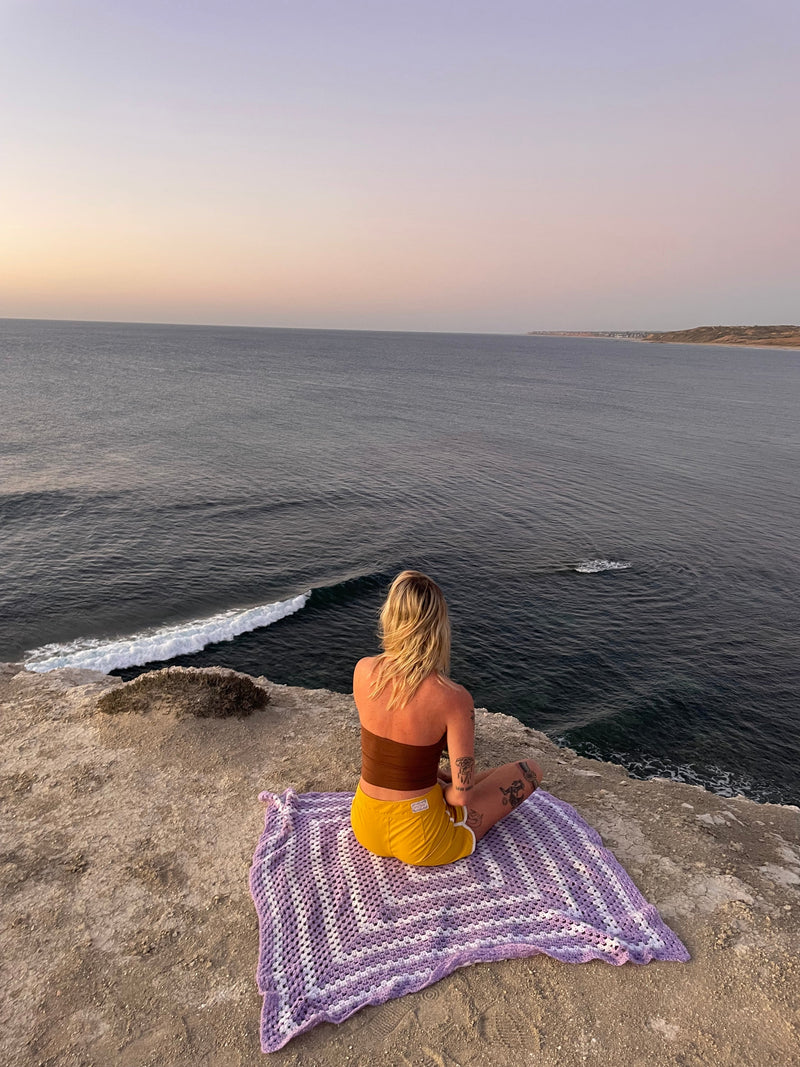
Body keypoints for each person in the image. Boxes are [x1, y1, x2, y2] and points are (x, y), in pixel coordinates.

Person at [350, 569, 543, 866]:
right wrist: (443, 792)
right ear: (438, 626)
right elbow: (461, 797)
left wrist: (436, 782)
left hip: (365, 825)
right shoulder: (453, 698)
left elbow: (394, 756)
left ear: (390, 617)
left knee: (458, 779)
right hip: (423, 839)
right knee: (529, 770)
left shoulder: (363, 671)